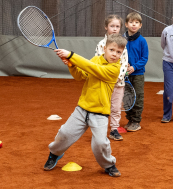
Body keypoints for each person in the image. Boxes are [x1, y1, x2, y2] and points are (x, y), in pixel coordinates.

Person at [44, 34, 127, 177]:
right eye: (112, 50)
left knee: (100, 143)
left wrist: (71, 55)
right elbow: (80, 75)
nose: (115, 54)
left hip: (100, 113)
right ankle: (54, 154)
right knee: (64, 133)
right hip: (82, 109)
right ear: (104, 48)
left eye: (119, 52)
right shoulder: (96, 59)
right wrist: (72, 66)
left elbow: (92, 68)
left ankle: (108, 165)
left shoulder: (115, 69)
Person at [95, 15, 128, 141]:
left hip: (118, 83)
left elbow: (124, 63)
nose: (114, 29)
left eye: (117, 26)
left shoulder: (123, 45)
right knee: (102, 106)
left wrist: (116, 78)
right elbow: (97, 62)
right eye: (112, 26)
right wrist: (106, 77)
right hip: (103, 83)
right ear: (106, 27)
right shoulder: (101, 44)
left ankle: (114, 129)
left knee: (115, 107)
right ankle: (100, 131)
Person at [123, 12, 149, 132]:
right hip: (124, 75)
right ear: (126, 24)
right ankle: (129, 119)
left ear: (140, 25)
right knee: (127, 97)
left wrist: (134, 67)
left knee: (137, 97)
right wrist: (124, 65)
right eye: (131, 22)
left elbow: (144, 58)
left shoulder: (142, 41)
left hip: (137, 74)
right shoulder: (122, 40)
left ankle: (136, 121)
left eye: (136, 23)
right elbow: (118, 54)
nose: (134, 25)